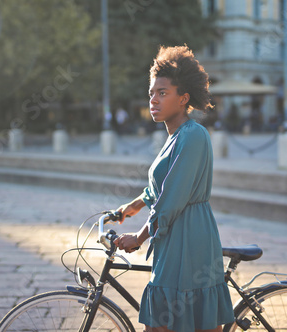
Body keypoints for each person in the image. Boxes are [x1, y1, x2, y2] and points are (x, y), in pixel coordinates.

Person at [113, 45, 234, 332]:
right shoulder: (175, 136)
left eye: (162, 93)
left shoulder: (193, 136)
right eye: (152, 93)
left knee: (165, 325)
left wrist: (139, 237)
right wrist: (131, 208)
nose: (153, 99)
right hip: (173, 236)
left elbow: (171, 200)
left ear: (184, 98)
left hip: (190, 238)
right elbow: (158, 188)